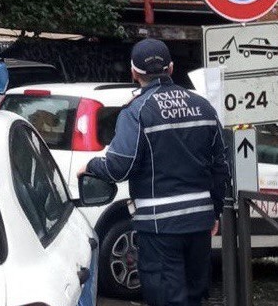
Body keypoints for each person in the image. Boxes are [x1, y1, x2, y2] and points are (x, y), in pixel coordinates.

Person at [79, 38, 230, 306]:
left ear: (134, 72)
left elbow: (119, 167)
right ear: (171, 68)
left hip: (159, 226)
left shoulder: (137, 112)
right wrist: (215, 210)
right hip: (199, 222)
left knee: (167, 299)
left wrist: (91, 167)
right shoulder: (204, 107)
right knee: (194, 297)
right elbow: (221, 165)